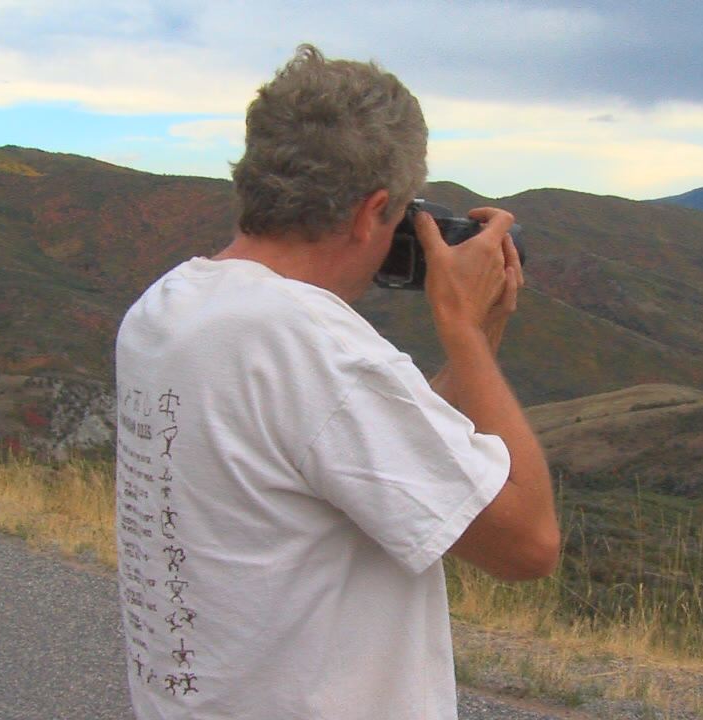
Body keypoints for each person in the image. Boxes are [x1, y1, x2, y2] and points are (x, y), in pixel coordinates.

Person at [113, 44, 559, 720]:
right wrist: (462, 330)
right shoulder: (309, 345)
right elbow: (528, 544)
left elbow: (376, 455)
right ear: (368, 211)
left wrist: (482, 334)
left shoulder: (166, 309)